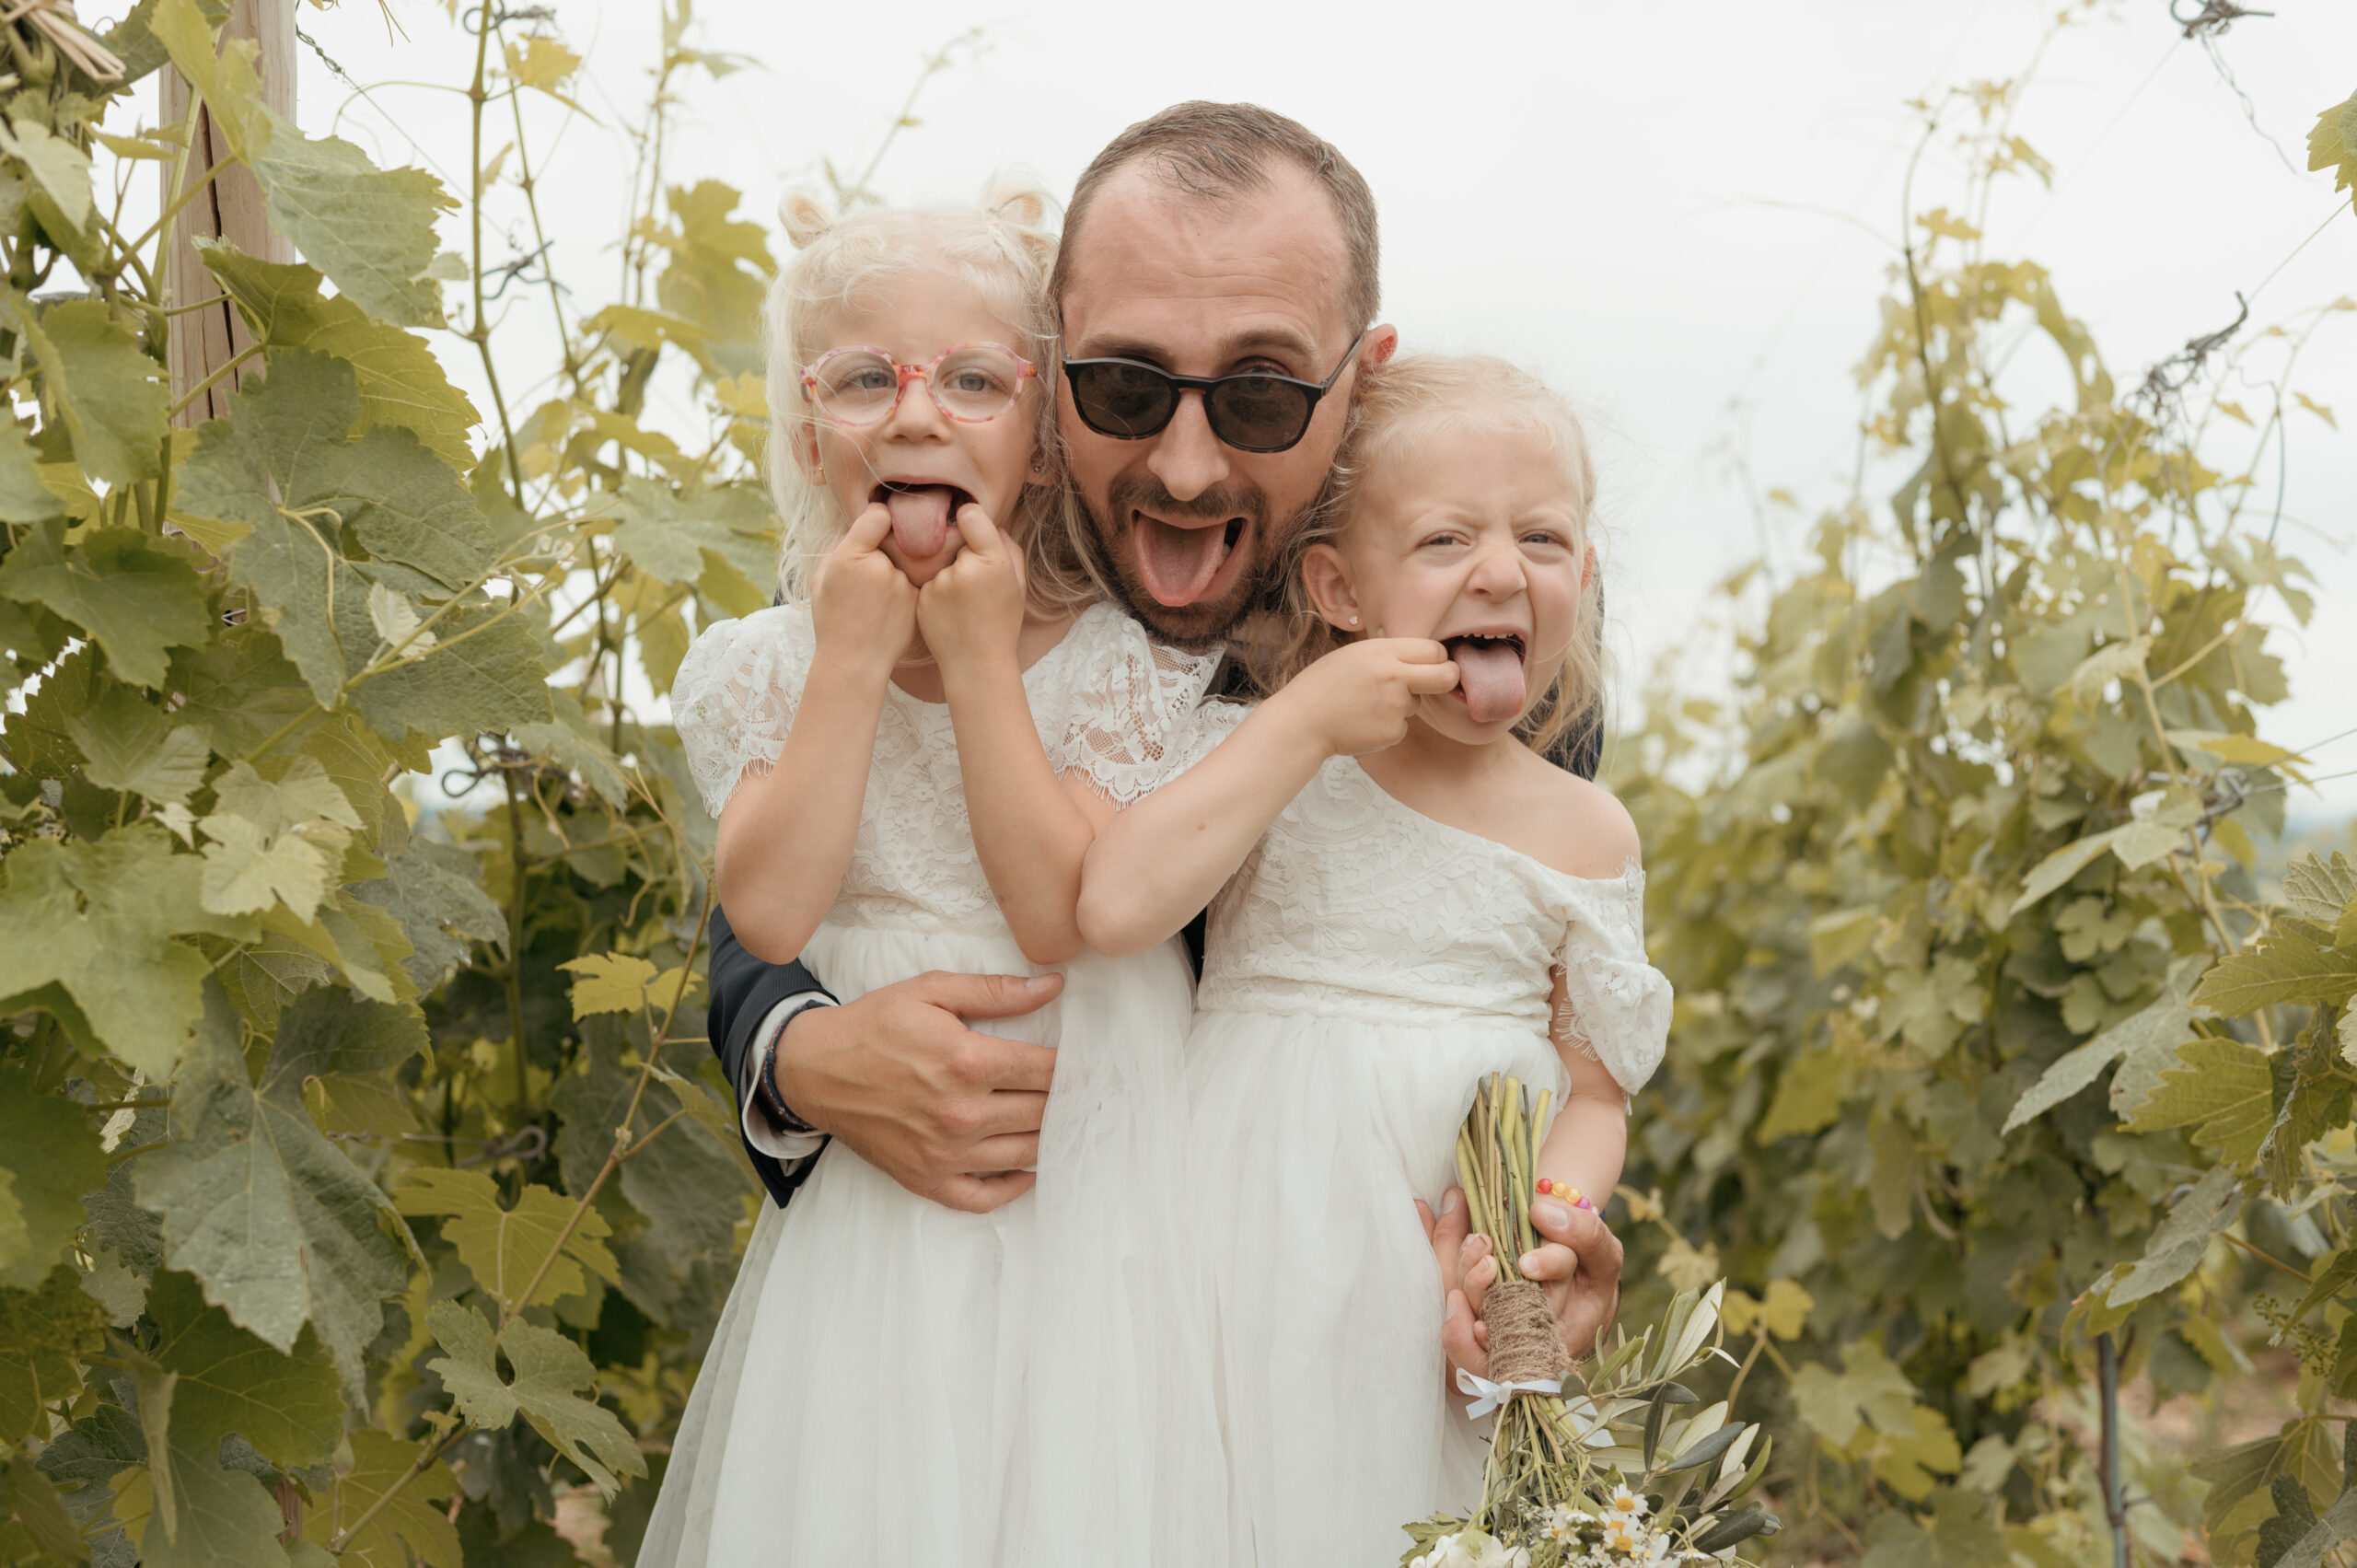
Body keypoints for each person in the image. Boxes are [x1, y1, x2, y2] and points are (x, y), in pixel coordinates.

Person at [701, 102, 1631, 1371]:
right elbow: (803, 858)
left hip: (1325, 1323)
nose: (1187, 468)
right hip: (988, 1316)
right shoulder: (914, 582)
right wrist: (796, 1053)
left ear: (1359, 378)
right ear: (1050, 367)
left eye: (1258, 394)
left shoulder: (1490, 655)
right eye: (1128, 386)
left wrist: (1556, 1238)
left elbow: (1538, 1009)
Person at [639, 183, 1224, 1566]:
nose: (914, 416)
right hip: (877, 1219)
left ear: (1036, 441)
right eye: (864, 380)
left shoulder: (1110, 664)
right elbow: (770, 915)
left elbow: (1055, 909)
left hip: (1098, 1191)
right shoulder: (758, 667)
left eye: (972, 380)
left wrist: (973, 658)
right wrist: (847, 657)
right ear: (805, 430)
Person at [1075, 354, 1671, 1564]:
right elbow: (1123, 898)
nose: (1502, 570)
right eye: (1447, 540)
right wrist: (1296, 729)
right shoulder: (1270, 760)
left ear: (1585, 579)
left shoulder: (1586, 830)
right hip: (1245, 1228)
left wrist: (1540, 1238)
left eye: (1544, 541)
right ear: (1342, 587)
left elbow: (1596, 1091)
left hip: (1443, 1271)